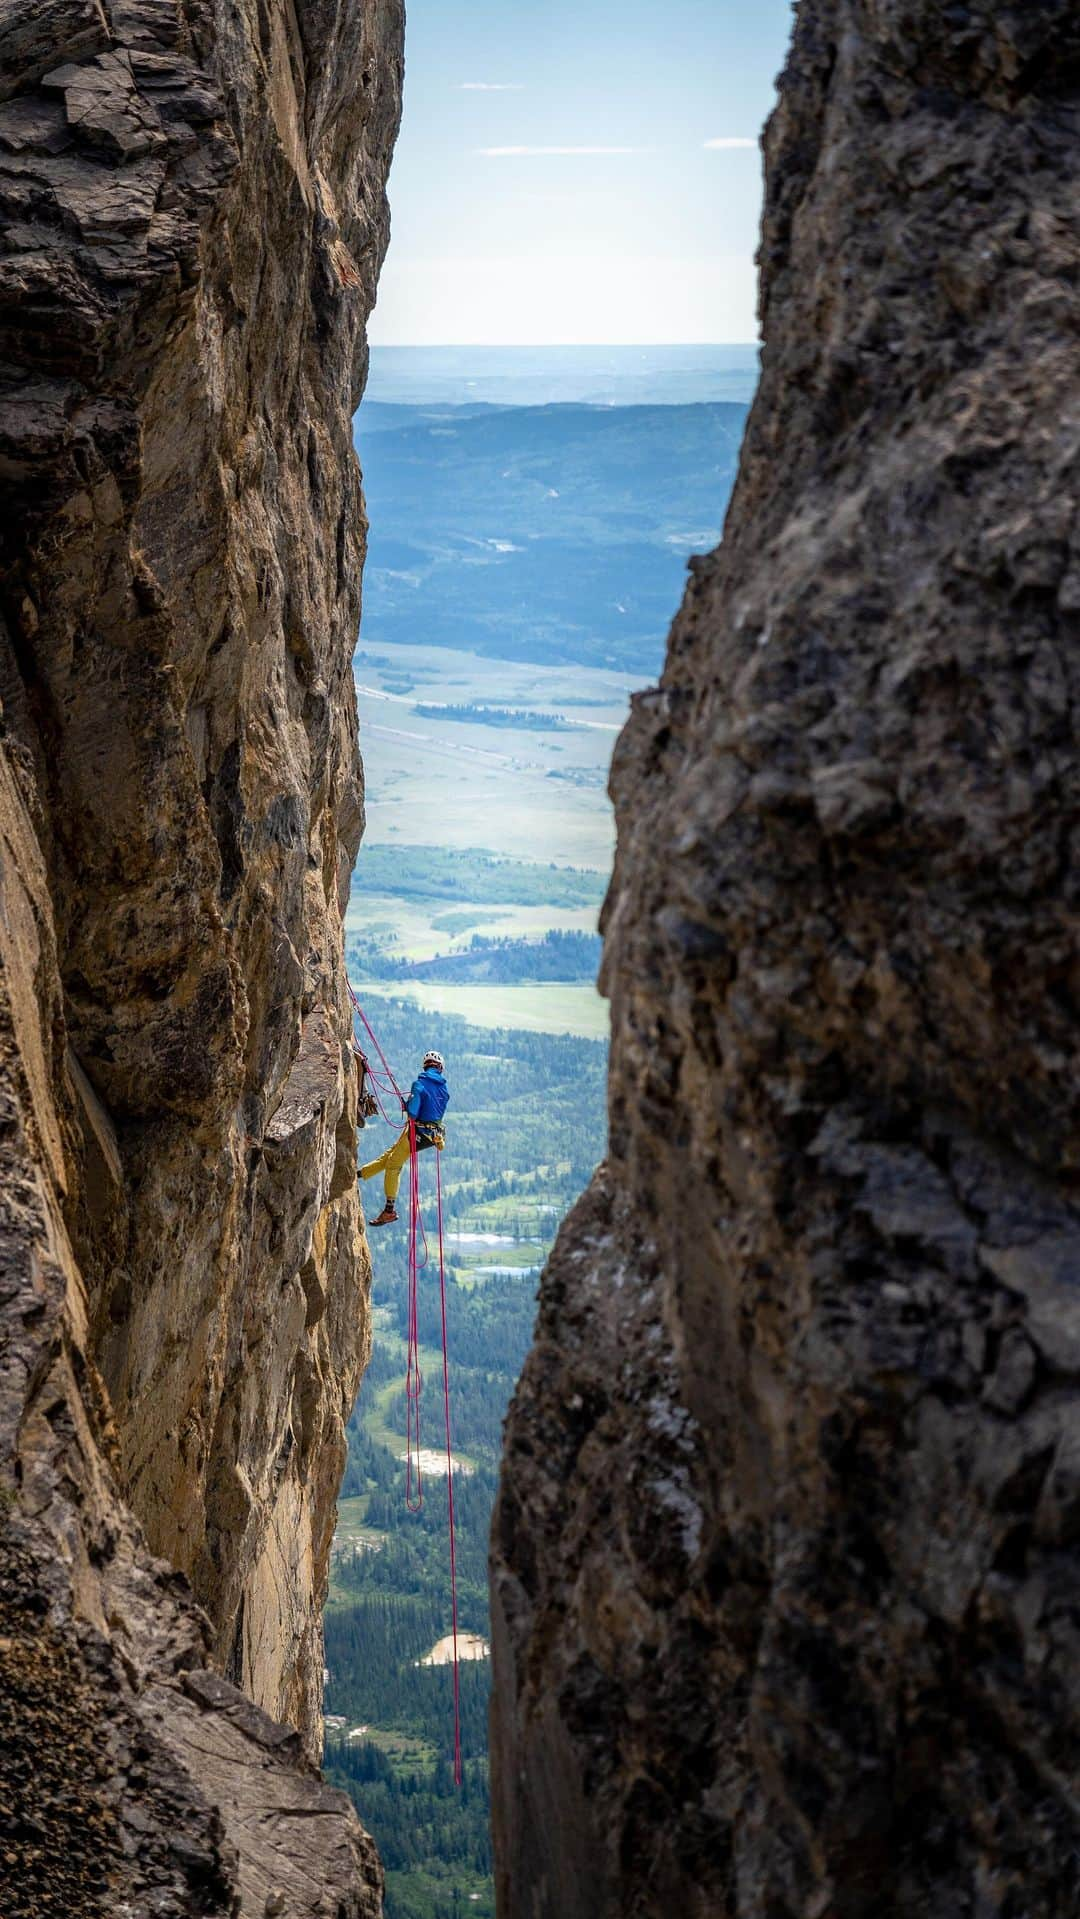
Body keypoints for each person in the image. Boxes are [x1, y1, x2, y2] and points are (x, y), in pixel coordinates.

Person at [360, 1049, 449, 1227]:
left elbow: (414, 1112)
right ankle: (358, 1175)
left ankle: (389, 1210)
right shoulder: (444, 1089)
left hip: (419, 1133)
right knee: (390, 1155)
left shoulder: (420, 1084)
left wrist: (408, 1105)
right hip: (432, 1134)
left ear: (425, 1066)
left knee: (393, 1164)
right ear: (440, 1068)